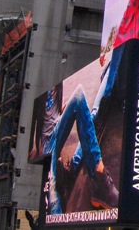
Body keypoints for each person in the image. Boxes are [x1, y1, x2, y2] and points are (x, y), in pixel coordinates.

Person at [41, 83, 118, 214]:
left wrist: (59, 114)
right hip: (46, 143)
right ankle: (92, 172)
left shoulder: (54, 82)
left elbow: (50, 111)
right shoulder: (40, 78)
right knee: (53, 204)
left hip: (53, 129)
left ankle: (94, 173)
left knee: (84, 105)